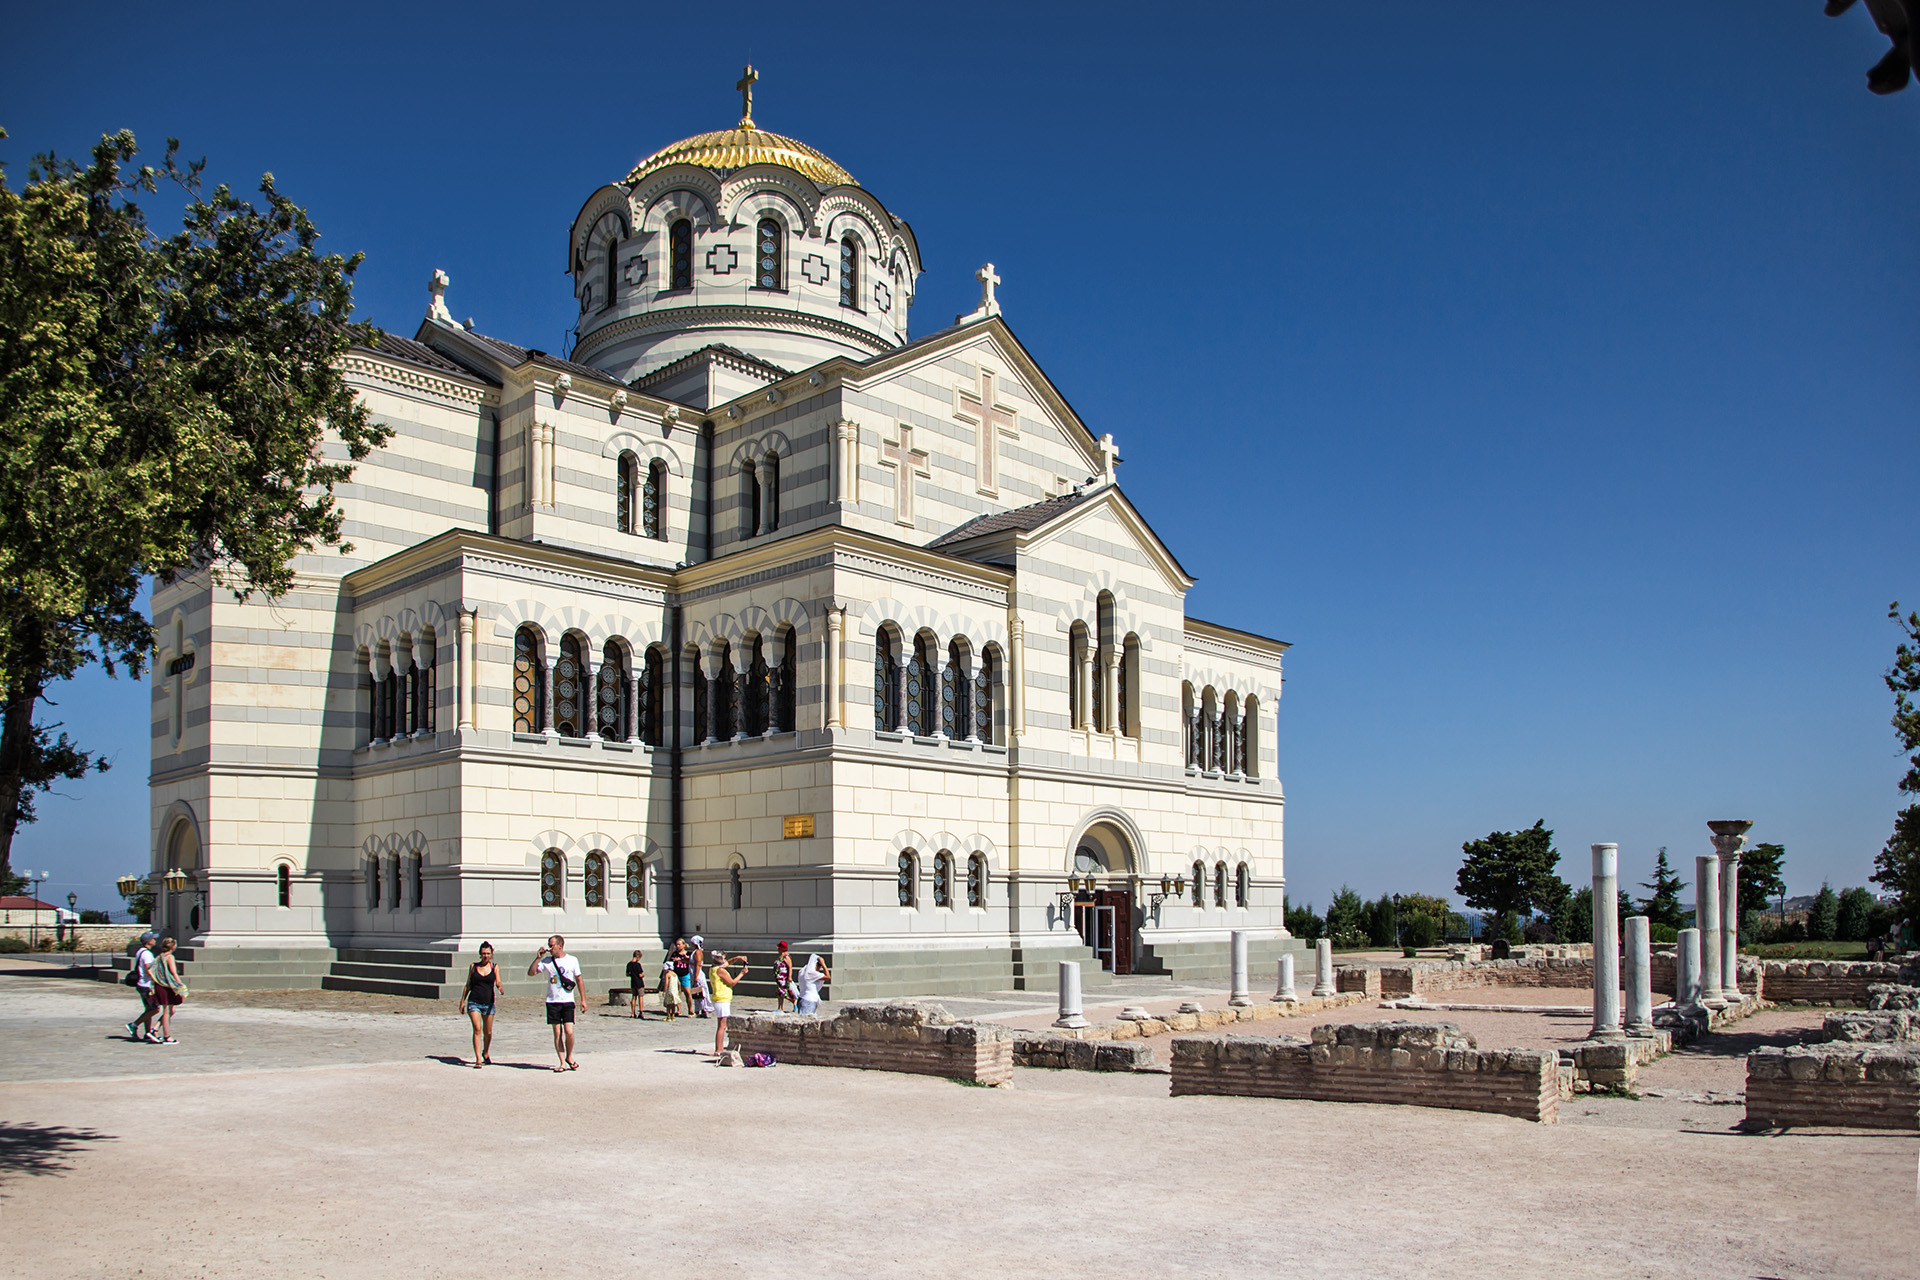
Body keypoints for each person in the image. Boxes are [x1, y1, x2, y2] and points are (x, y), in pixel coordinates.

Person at [528, 935, 582, 1071]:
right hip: (552, 1001)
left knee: (569, 1031)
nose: (549, 948)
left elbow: (579, 980)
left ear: (560, 945)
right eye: (549, 945)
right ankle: (562, 1062)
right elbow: (531, 973)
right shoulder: (547, 961)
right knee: (557, 1032)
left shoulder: (572, 960)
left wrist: (584, 1000)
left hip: (567, 1000)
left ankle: (569, 1056)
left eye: (552, 945)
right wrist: (538, 958)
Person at [458, 942, 502, 1068]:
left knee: (487, 1032)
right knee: (477, 1029)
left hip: (488, 1003)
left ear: (491, 954)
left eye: (488, 953)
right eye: (483, 953)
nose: (485, 956)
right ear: (480, 954)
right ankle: (478, 1059)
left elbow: (498, 981)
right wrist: (462, 1001)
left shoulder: (494, 967)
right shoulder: (473, 966)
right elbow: (468, 985)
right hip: (474, 1002)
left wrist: (500, 987)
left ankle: (485, 1053)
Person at [147, 937, 187, 1044]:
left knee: (171, 1010)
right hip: (166, 986)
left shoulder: (159, 957)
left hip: (159, 985)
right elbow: (174, 972)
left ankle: (154, 1029)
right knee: (166, 1011)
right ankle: (167, 1036)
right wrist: (180, 985)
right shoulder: (170, 957)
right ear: (173, 946)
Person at [708, 949, 747, 1056]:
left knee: (721, 1024)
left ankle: (719, 1048)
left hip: (719, 998)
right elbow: (732, 982)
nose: (725, 960)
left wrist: (738, 958)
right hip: (722, 999)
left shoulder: (713, 968)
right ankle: (719, 1049)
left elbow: (728, 962)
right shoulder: (721, 971)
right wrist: (742, 974)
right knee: (722, 1025)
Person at [126, 930, 159, 1042]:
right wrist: (157, 981)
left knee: (148, 1009)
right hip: (146, 984)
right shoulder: (147, 954)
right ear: (149, 941)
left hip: (141, 984)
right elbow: (148, 969)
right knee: (155, 1009)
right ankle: (134, 1024)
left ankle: (147, 1032)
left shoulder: (140, 951)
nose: (155, 940)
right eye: (153, 938)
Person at [773, 941, 796, 1013]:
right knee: (782, 993)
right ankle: (793, 1002)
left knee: (781, 992)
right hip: (779, 979)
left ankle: (780, 1008)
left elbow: (790, 967)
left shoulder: (786, 957)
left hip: (783, 978)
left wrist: (789, 977)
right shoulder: (781, 956)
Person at [690, 935, 710, 1017]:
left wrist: (695, 976)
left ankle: (704, 1010)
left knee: (700, 992)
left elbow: (698, 964)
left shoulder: (698, 952)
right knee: (696, 992)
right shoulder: (696, 951)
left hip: (697, 974)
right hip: (694, 973)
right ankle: (698, 1010)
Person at [658, 954, 682, 1021]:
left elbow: (666, 983)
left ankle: (668, 1016)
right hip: (675, 991)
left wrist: (664, 991)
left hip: (669, 991)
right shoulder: (675, 974)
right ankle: (673, 1016)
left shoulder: (667, 974)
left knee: (668, 1004)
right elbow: (679, 983)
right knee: (673, 1004)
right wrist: (679, 990)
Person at [625, 950, 647, 1020]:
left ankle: (632, 1013)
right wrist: (643, 975)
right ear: (638, 957)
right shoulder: (638, 965)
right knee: (640, 997)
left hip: (633, 982)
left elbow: (627, 974)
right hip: (639, 982)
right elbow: (640, 975)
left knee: (634, 997)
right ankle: (641, 1012)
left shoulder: (629, 964)